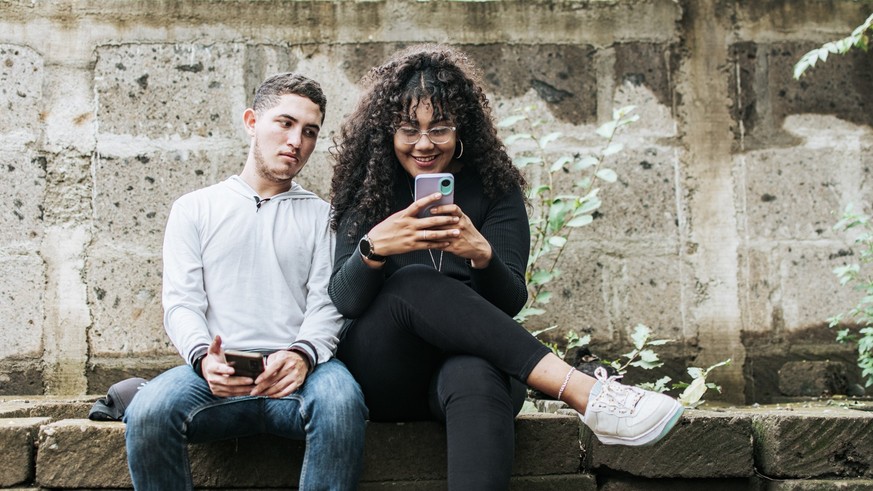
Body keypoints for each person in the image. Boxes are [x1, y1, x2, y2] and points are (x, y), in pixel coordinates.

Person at [328, 44, 683, 490]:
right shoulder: (371, 190)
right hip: (386, 369)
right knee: (414, 282)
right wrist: (374, 248)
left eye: (438, 128)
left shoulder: (494, 189)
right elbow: (344, 298)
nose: (423, 144)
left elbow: (510, 300)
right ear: (387, 132)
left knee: (475, 373)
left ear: (461, 129)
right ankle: (583, 391)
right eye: (408, 130)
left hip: (467, 369)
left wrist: (483, 256)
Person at [124, 73, 368, 491]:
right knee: (149, 410)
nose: (297, 141)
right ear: (252, 121)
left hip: (301, 375)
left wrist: (302, 356)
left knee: (342, 402)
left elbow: (327, 303)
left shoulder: (325, 217)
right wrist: (203, 358)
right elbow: (181, 303)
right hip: (217, 375)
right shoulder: (194, 209)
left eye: (310, 131)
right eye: (285, 123)